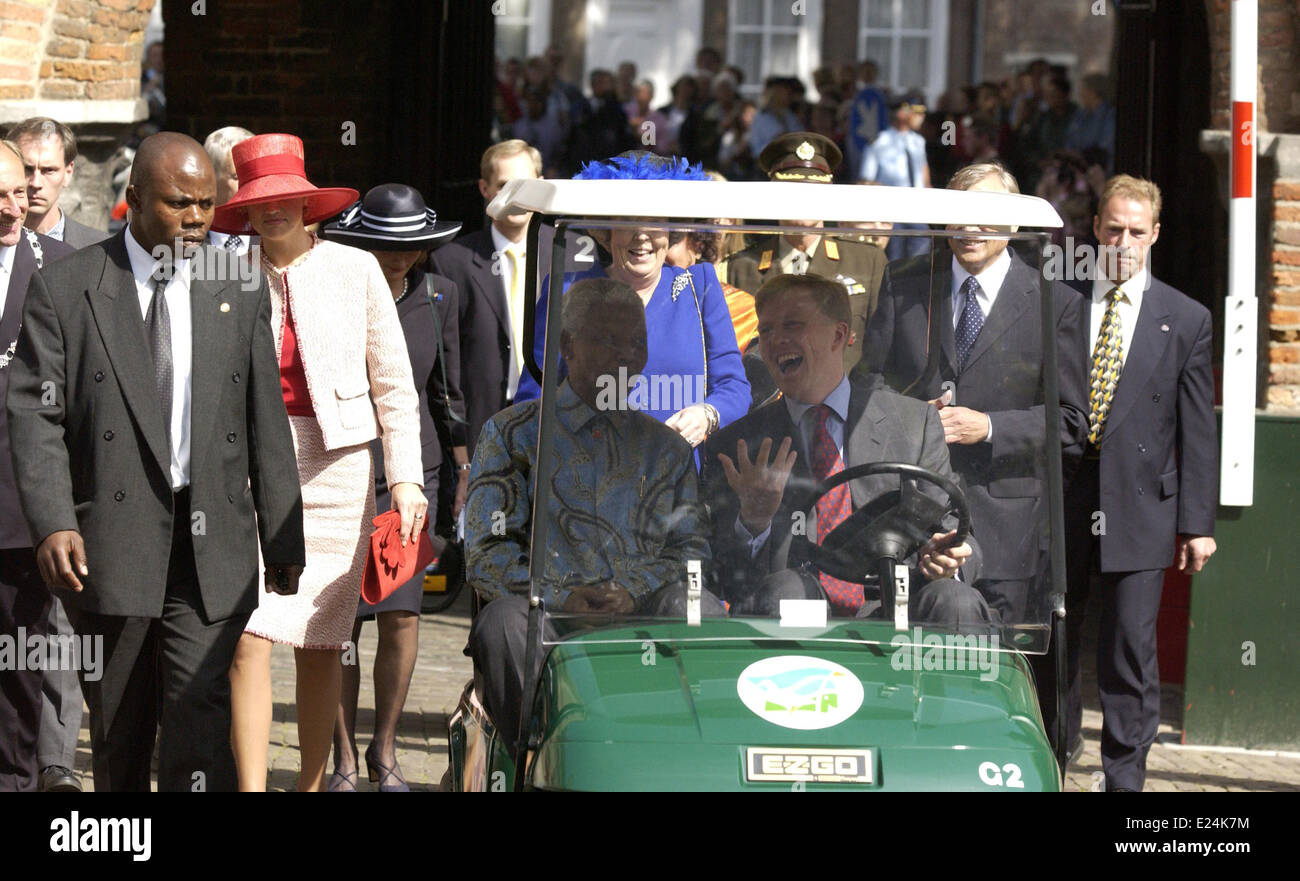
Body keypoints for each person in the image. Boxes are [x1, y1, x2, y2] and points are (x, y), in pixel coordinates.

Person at [6, 132, 306, 792]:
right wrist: (55, 519)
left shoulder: (240, 289)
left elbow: (265, 416)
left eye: (206, 203)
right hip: (112, 545)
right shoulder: (68, 289)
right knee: (121, 728)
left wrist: (283, 535)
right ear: (134, 200)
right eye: (179, 204)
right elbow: (35, 416)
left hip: (211, 547)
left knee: (199, 719)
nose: (198, 219)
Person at [216, 134, 426, 792]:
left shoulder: (356, 268)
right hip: (248, 471)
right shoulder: (222, 272)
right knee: (248, 634)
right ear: (244, 211)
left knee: (318, 637)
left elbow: (393, 381)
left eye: (285, 198)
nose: (273, 210)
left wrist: (408, 477)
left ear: (308, 202)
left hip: (338, 469)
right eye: (259, 201)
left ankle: (308, 783)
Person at [464, 277, 721, 751]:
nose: (626, 355)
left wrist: (630, 590)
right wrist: (561, 597)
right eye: (608, 340)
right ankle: (542, 763)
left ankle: (693, 758)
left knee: (699, 607)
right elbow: (485, 554)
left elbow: (692, 553)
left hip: (641, 614)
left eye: (636, 343)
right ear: (568, 344)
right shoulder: (515, 435)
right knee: (502, 621)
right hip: (548, 618)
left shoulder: (666, 449)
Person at [861, 161, 1089, 631]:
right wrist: (908, 419)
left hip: (1007, 533)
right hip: (911, 524)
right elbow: (868, 385)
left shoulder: (1054, 300)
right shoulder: (905, 283)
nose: (968, 228)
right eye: (957, 214)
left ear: (1012, 221)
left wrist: (988, 427)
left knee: (992, 674)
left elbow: (1069, 422)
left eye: (983, 213)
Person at [700, 273, 991, 626]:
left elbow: (958, 534)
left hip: (897, 610)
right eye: (767, 331)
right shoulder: (737, 445)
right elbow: (720, 576)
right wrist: (754, 522)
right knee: (787, 590)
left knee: (954, 599)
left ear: (839, 335)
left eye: (792, 326)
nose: (775, 342)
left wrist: (948, 558)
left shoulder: (914, 425)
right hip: (797, 617)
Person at [1051, 175, 1217, 791]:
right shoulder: (1059, 299)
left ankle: (1124, 779)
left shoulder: (1187, 318)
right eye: (1113, 228)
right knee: (1056, 638)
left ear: (1155, 237)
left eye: (1136, 232)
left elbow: (1197, 429)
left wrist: (1197, 524)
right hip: (1065, 495)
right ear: (1095, 229)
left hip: (1144, 504)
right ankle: (1052, 757)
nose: (1123, 241)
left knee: (1128, 648)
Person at [320, 184, 466, 791]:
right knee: (340, 622)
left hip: (415, 477)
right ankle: (344, 760)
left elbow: (448, 393)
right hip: (345, 470)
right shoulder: (336, 289)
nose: (398, 257)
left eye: (411, 246)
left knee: (402, 615)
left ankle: (385, 752)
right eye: (385, 245)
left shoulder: (440, 297)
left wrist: (461, 471)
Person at [514, 151, 750, 446]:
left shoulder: (700, 287)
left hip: (677, 479)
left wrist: (707, 415)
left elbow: (734, 387)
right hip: (587, 478)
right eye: (628, 220)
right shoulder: (567, 288)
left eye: (654, 220)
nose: (642, 235)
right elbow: (533, 396)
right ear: (607, 230)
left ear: (672, 230)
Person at [0, 139, 74, 791]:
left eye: (17, 190)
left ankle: (20, 777)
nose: (10, 206)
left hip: (20, 498)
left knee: (21, 656)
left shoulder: (63, 269)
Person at [724, 132, 887, 404]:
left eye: (813, 192)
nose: (802, 201)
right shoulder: (740, 267)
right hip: (765, 416)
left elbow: (880, 353)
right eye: (791, 192)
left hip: (847, 413)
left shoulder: (866, 261)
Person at [431, 140, 565, 456]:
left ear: (542, 186)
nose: (516, 195)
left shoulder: (571, 255)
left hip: (555, 421)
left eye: (525, 184)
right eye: (505, 185)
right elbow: (443, 360)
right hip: (481, 426)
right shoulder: (452, 261)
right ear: (485, 189)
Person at [6, 118, 107, 249]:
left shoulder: (100, 248)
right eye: (27, 169)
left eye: (49, 170)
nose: (36, 183)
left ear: (68, 172)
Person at [859, 93, 931, 259]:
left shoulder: (918, 141)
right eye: (917, 112)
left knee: (921, 257)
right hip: (890, 211)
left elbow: (924, 177)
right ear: (902, 113)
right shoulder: (879, 142)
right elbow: (866, 181)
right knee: (894, 258)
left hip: (917, 210)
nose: (921, 117)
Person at [202, 125, 255, 255]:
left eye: (254, 176)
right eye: (237, 177)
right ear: (211, 178)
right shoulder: (188, 239)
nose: (250, 184)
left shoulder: (273, 236)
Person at [845, 59, 889, 179]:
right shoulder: (855, 95)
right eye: (865, 71)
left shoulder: (881, 94)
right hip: (858, 141)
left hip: (876, 140)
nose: (868, 74)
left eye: (871, 71)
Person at [749, 77, 801, 158]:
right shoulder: (762, 117)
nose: (787, 95)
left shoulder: (790, 115)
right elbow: (757, 148)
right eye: (781, 91)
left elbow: (800, 137)